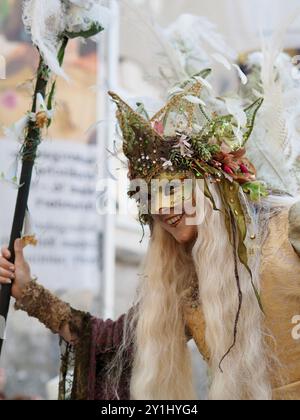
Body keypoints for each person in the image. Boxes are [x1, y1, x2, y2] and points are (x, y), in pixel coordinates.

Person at [1, 73, 300, 401]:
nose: (162, 208)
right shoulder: (184, 285)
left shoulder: (287, 230)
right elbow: (108, 344)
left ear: (209, 186)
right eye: (148, 197)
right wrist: (27, 290)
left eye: (173, 188)